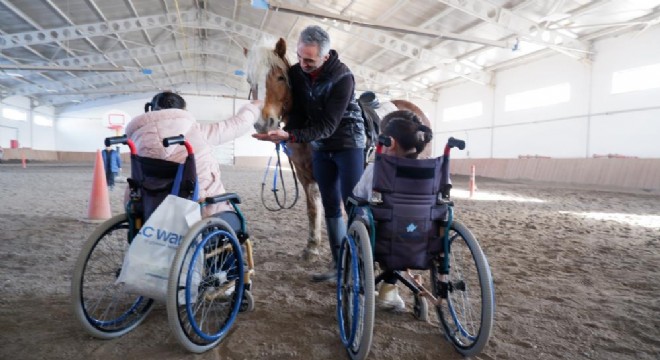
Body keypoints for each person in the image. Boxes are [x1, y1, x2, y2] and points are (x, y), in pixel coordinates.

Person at [252, 25, 366, 282]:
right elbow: (299, 111)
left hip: (347, 142)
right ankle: (339, 267)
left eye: (309, 60)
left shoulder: (343, 78)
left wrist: (289, 136)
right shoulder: (297, 72)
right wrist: (278, 131)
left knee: (353, 205)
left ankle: (359, 266)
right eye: (300, 57)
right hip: (320, 148)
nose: (302, 64)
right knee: (330, 206)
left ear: (325, 57)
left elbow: (327, 126)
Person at [125, 91, 262, 222]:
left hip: (149, 207)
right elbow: (237, 124)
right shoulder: (198, 131)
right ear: (183, 111)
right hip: (197, 207)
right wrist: (253, 107)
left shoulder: (138, 137)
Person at [352, 110, 433, 311]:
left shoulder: (377, 170)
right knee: (407, 225)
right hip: (422, 240)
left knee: (361, 214)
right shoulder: (434, 172)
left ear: (392, 142)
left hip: (383, 240)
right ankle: (390, 289)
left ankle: (366, 280)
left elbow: (358, 195)